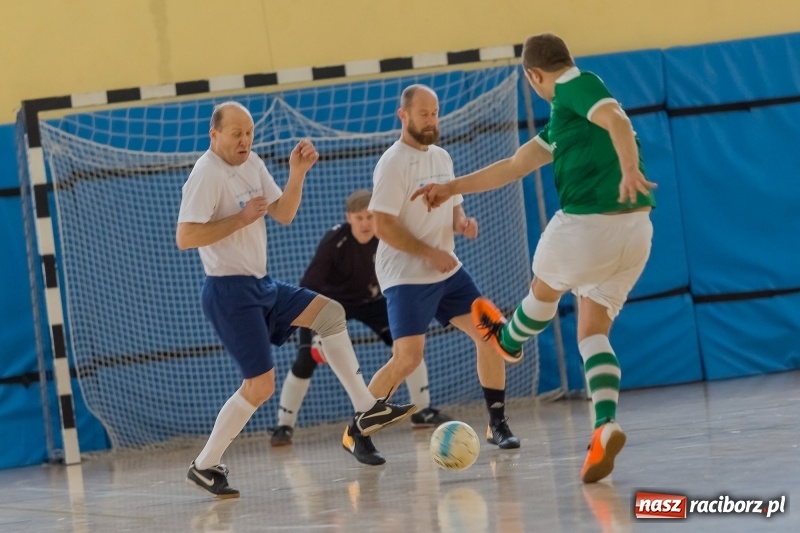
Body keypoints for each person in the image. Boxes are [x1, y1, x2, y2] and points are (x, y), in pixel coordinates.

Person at [412, 33, 656, 484]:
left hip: (589, 226)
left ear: (533, 75)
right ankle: (605, 424)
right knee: (592, 332)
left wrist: (628, 169)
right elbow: (513, 166)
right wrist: (449, 189)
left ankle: (508, 340)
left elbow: (618, 120)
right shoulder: (565, 120)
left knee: (543, 286)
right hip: (636, 233)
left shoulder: (575, 88)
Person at [176, 101, 416, 498]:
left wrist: (297, 174)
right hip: (228, 292)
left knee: (329, 313)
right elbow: (185, 237)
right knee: (259, 387)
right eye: (236, 133)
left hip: (261, 284)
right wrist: (239, 218)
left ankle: (365, 406)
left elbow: (284, 213)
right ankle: (204, 466)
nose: (245, 140)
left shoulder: (252, 163)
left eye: (249, 133)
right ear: (214, 135)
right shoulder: (206, 174)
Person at [342, 83, 520, 466]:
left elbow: (453, 205)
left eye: (435, 113)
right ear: (403, 116)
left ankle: (497, 423)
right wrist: (428, 252)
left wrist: (462, 223)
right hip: (405, 272)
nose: (431, 120)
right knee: (407, 358)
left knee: (491, 336)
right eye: (423, 113)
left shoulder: (442, 155)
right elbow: (384, 226)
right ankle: (357, 430)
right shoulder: (392, 163)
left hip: (446, 269)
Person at [271, 190, 453, 447]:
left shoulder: (386, 236)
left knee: (407, 348)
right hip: (330, 305)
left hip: (371, 302)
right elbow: (309, 286)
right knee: (304, 360)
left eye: (370, 216)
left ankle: (421, 410)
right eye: (359, 218)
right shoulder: (334, 241)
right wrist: (313, 333)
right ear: (348, 218)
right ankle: (283, 426)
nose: (366, 223)